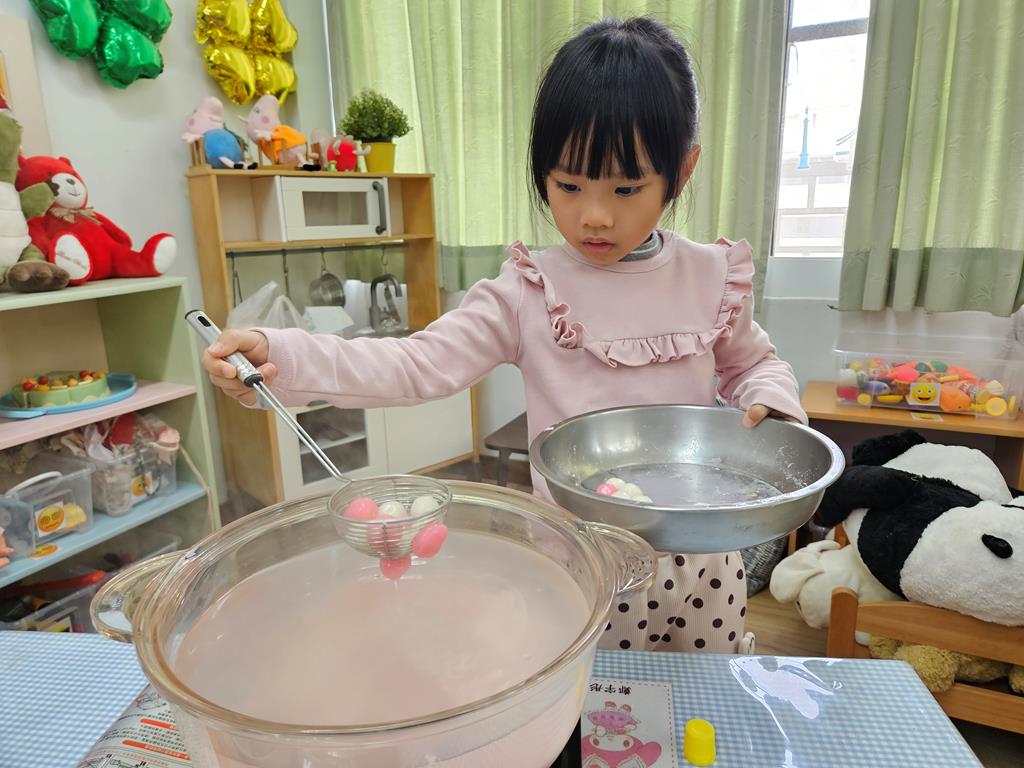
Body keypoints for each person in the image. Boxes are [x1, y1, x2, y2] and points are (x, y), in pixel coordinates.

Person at [202, 17, 806, 653]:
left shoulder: (711, 276)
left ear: (681, 171)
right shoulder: (529, 290)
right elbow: (416, 364)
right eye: (568, 185)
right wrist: (284, 355)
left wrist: (771, 398)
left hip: (703, 560)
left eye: (627, 188)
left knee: (706, 699)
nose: (594, 215)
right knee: (592, 699)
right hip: (584, 560)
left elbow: (754, 365)